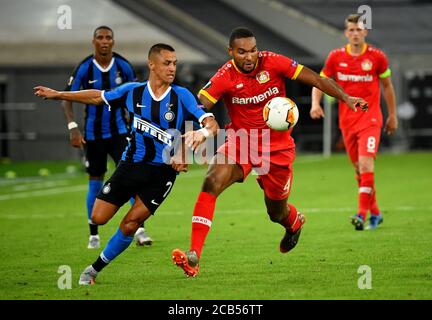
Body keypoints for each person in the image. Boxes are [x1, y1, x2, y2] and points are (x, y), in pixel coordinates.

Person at [171, 27, 368, 277]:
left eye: (253, 50)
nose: (249, 57)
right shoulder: (225, 75)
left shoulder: (274, 62)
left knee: (276, 212)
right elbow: (199, 105)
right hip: (242, 141)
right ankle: (194, 256)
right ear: (230, 52)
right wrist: (183, 143)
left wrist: (347, 98)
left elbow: (317, 79)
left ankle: (294, 224)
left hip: (277, 148)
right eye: (242, 52)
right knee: (211, 181)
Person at [34, 43, 219, 285]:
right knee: (98, 217)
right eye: (166, 63)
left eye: (174, 63)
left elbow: (211, 124)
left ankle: (93, 269)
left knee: (131, 223)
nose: (172, 68)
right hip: (130, 166)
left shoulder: (181, 96)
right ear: (152, 64)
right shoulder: (133, 92)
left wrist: (200, 135)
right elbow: (97, 96)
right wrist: (60, 94)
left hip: (162, 174)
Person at [62, 25, 153, 248]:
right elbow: (68, 97)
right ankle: (94, 234)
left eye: (108, 37)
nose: (104, 41)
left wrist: (137, 127)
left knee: (131, 180)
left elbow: (136, 96)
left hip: (120, 133)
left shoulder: (123, 66)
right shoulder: (84, 68)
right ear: (93, 41)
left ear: (113, 41)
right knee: (95, 182)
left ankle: (139, 229)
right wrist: (73, 126)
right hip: (93, 136)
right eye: (100, 37)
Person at [310, 14, 397, 231]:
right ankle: (376, 213)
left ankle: (361, 214)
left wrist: (392, 115)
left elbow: (387, 87)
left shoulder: (377, 57)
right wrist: (315, 103)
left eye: (359, 30)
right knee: (359, 170)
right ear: (346, 32)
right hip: (347, 121)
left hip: (371, 118)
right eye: (351, 30)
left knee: (366, 164)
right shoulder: (335, 57)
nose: (355, 33)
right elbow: (320, 81)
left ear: (365, 32)